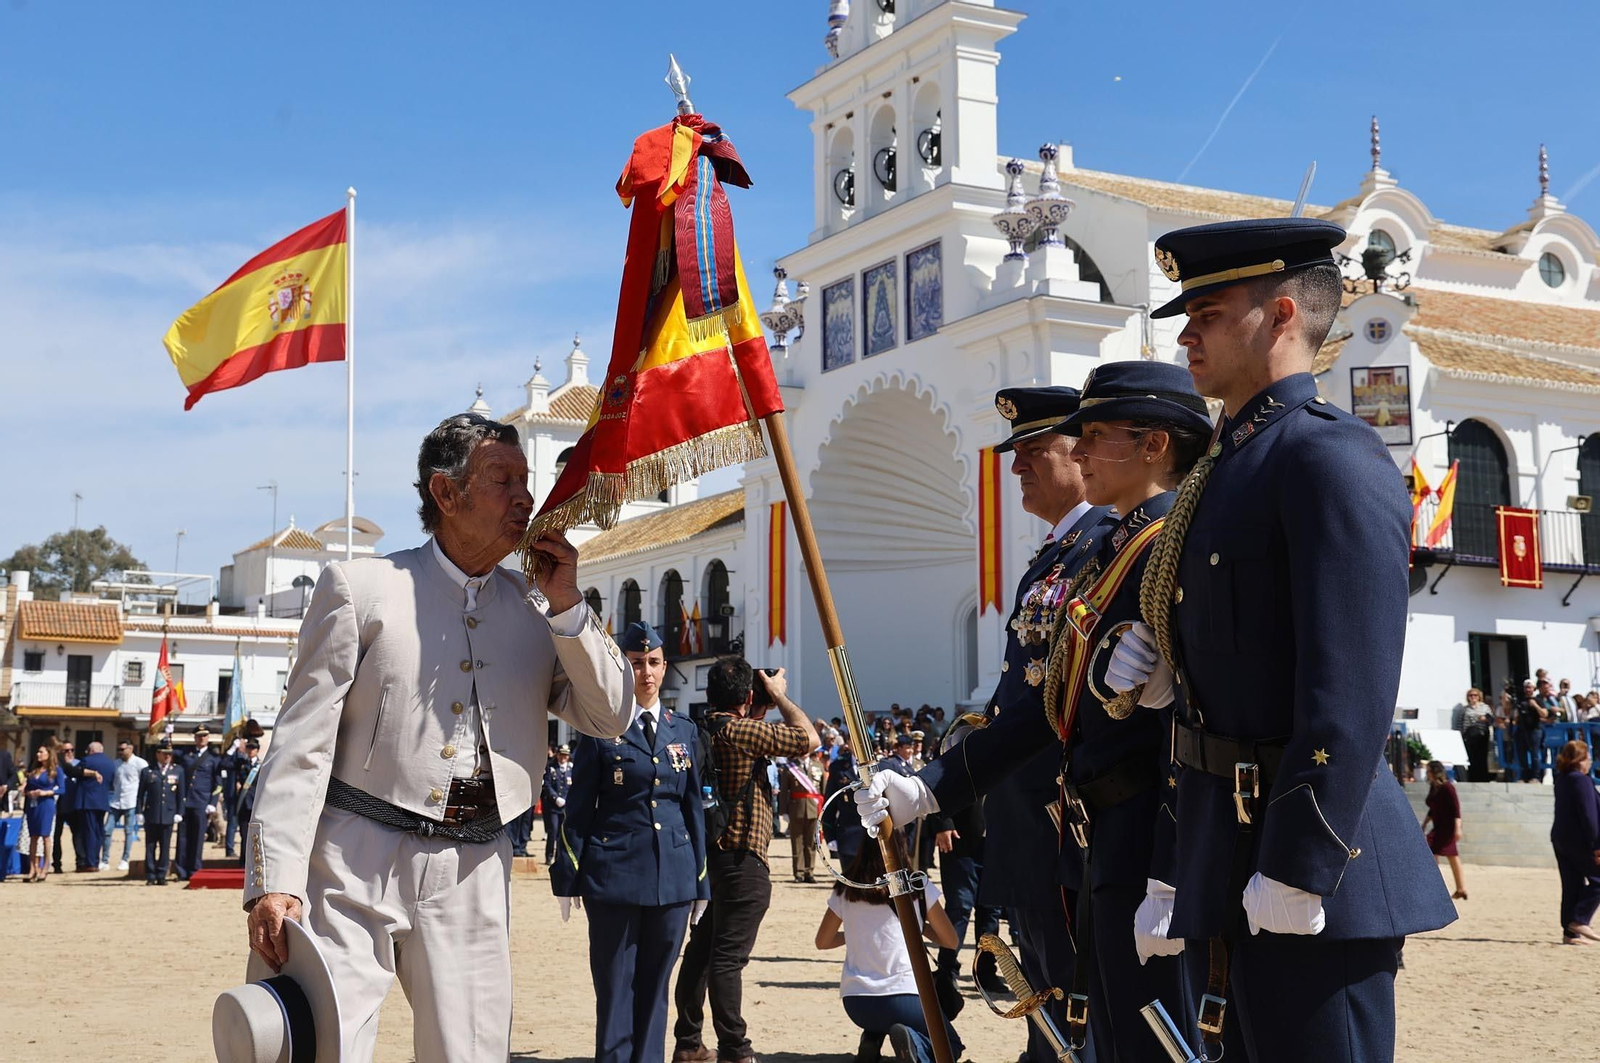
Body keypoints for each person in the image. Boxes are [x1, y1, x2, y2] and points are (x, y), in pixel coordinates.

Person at [1102, 218, 1456, 1061]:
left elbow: (1351, 682)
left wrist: (1302, 856)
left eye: (1209, 311)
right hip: (1227, 853)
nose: (1185, 332)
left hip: (1313, 867)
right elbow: (1218, 687)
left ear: (1281, 313)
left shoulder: (1327, 455)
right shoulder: (1228, 466)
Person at [242, 412, 633, 1063]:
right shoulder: (361, 590)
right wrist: (274, 877)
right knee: (321, 1046)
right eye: (502, 479)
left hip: (476, 866)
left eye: (525, 480)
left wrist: (569, 607)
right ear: (446, 494)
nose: (525, 498)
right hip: (350, 860)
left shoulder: (540, 613)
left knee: (472, 1053)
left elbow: (613, 713)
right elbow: (301, 741)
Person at [860, 385, 1116, 1063]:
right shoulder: (1053, 558)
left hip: (1067, 820)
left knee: (1074, 1007)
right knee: (1046, 1003)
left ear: (1080, 453)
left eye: (1035, 451)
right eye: (1016, 453)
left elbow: (1048, 707)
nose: (1017, 466)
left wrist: (936, 784)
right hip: (1026, 820)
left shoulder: (1104, 547)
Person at [552, 621, 709, 1063]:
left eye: (654, 663)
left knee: (657, 990)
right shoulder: (600, 727)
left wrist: (701, 883)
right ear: (622, 666)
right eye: (637, 663)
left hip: (673, 879)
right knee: (616, 989)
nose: (647, 672)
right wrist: (568, 877)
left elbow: (692, 808)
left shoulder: (685, 732)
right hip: (614, 876)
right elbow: (578, 808)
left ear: (665, 667)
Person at [672, 658, 817, 1063]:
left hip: (708, 860)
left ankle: (688, 1043)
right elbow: (809, 739)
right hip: (745, 859)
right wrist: (779, 696)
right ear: (749, 696)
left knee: (700, 954)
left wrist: (757, 702)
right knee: (727, 960)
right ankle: (735, 1049)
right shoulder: (743, 731)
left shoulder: (699, 731)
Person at [815, 840, 964, 1063]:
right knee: (950, 1046)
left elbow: (822, 942)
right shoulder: (916, 885)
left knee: (886, 1019)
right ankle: (914, 1045)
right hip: (904, 997)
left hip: (857, 1002)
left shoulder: (846, 888)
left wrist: (860, 932)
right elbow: (950, 941)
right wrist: (917, 925)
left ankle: (872, 1039)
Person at [1550, 740, 1600, 945]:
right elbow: (1588, 815)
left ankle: (1570, 934)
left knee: (1572, 884)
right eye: (1587, 758)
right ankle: (1579, 920)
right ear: (1580, 760)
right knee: (1598, 879)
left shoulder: (1562, 779)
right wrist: (1597, 844)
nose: (1590, 762)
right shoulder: (1581, 780)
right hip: (1580, 840)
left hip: (1561, 838)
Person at [176, 726, 221, 879]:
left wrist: (212, 802)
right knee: (182, 838)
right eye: (199, 736)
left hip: (201, 802)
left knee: (197, 838)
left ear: (208, 738)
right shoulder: (187, 755)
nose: (201, 738)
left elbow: (218, 783)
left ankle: (194, 869)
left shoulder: (213, 758)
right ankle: (181, 870)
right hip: (185, 801)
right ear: (194, 737)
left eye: (204, 736)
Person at [138, 741, 185, 885]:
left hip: (168, 814)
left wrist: (179, 812)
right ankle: (151, 874)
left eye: (169, 754)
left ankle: (162, 874)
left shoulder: (177, 771)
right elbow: (140, 794)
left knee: (165, 846)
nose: (167, 757)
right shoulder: (148, 771)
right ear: (157, 754)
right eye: (164, 753)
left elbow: (181, 795)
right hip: (152, 814)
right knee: (150, 846)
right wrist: (139, 812)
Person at [65, 740, 115, 871]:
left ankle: (90, 862)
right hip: (102, 800)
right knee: (99, 831)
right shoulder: (110, 763)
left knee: (89, 832)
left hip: (87, 801)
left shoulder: (87, 761)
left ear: (91, 750)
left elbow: (75, 772)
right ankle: (96, 860)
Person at [1421, 761, 1467, 901]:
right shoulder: (1434, 787)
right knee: (1435, 853)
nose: (1426, 774)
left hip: (1448, 828)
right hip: (1438, 826)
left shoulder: (1448, 787)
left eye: (1428, 771)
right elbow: (1432, 808)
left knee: (1449, 855)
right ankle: (1457, 888)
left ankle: (1457, 888)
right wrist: (1424, 824)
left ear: (1434, 772)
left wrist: (1458, 829)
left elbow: (1456, 810)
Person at [784, 749, 825, 883]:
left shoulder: (818, 766)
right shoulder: (790, 768)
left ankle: (809, 872)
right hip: (796, 808)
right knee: (797, 842)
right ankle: (799, 873)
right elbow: (784, 791)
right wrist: (783, 811)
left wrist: (824, 810)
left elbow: (823, 790)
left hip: (814, 809)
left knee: (811, 843)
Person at [106, 741, 148, 871]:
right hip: (116, 801)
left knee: (128, 832)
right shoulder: (116, 764)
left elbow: (145, 782)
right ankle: (104, 859)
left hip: (131, 801)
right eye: (118, 749)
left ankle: (125, 859)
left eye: (122, 749)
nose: (120, 752)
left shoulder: (140, 764)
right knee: (107, 830)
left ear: (130, 749)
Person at [23, 744, 61, 881]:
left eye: (41, 752)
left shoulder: (55, 771)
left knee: (45, 836)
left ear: (49, 754)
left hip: (46, 804)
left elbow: (62, 789)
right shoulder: (34, 770)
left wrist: (46, 792)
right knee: (33, 836)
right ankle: (33, 867)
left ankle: (45, 867)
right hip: (33, 805)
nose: (38, 754)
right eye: (38, 752)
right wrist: (29, 792)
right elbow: (27, 787)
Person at [542, 743, 574, 865]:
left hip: (566, 807)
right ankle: (548, 856)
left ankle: (559, 857)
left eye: (566, 755)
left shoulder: (571, 769)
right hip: (553, 806)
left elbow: (574, 785)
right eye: (561, 755)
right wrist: (555, 798)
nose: (563, 758)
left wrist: (567, 799)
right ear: (558, 755)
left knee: (563, 833)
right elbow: (548, 784)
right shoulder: (551, 768)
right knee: (553, 831)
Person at [1516, 681, 1549, 783]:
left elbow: (1544, 714)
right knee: (1522, 755)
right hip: (1522, 730)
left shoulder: (1538, 700)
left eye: (1530, 687)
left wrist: (1535, 705)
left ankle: (1536, 777)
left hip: (1535, 730)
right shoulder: (1520, 701)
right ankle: (1524, 776)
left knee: (1535, 755)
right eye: (1526, 687)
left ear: (1533, 689)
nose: (1527, 690)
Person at [231, 737, 263, 838]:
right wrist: (233, 748)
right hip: (243, 801)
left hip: (256, 802)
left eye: (253, 748)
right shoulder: (241, 763)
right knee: (244, 834)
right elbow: (225, 763)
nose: (250, 750)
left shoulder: (262, 766)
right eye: (248, 748)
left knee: (255, 834)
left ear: (257, 750)